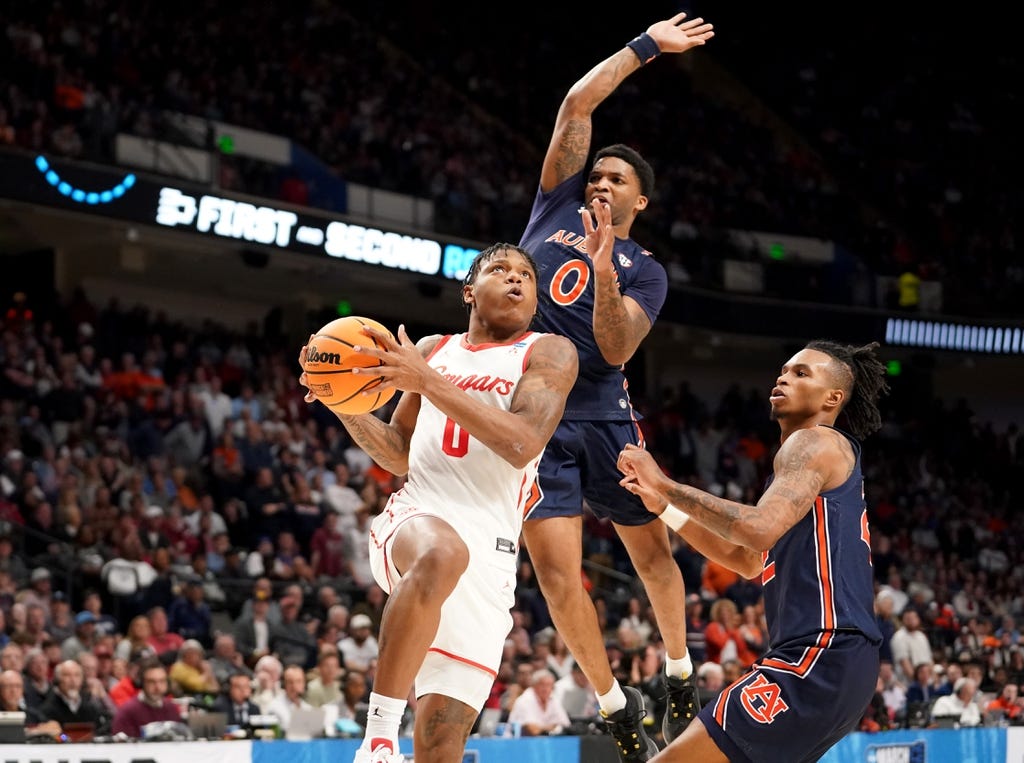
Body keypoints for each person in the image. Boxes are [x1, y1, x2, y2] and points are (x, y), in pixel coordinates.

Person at [517, 12, 714, 759]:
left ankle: (678, 671)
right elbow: (577, 105)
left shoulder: (647, 271)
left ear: (639, 204)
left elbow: (615, 345)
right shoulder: (553, 205)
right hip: (535, 419)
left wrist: (603, 266)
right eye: (596, 174)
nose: (601, 182)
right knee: (557, 578)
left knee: (652, 557)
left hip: (604, 418)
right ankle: (613, 705)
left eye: (617, 180)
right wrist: (646, 47)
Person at [299, 242, 578, 763]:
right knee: (442, 553)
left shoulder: (549, 352)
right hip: (418, 517)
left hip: (491, 559)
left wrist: (428, 382)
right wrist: (342, 402)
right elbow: (398, 454)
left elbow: (523, 443)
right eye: (500, 269)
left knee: (441, 745)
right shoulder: (431, 349)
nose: (516, 279)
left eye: (526, 275)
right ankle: (378, 740)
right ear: (469, 291)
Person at [616, 340, 889, 762]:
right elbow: (746, 560)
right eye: (784, 370)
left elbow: (757, 530)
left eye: (801, 373)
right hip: (843, 665)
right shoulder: (806, 466)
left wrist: (664, 483)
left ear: (833, 398)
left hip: (820, 651)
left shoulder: (813, 442)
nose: (784, 377)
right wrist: (664, 507)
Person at [111, 659, 182, 738]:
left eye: (162, 681)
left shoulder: (171, 708)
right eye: (151, 682)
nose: (158, 687)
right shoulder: (128, 711)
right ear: (141, 683)